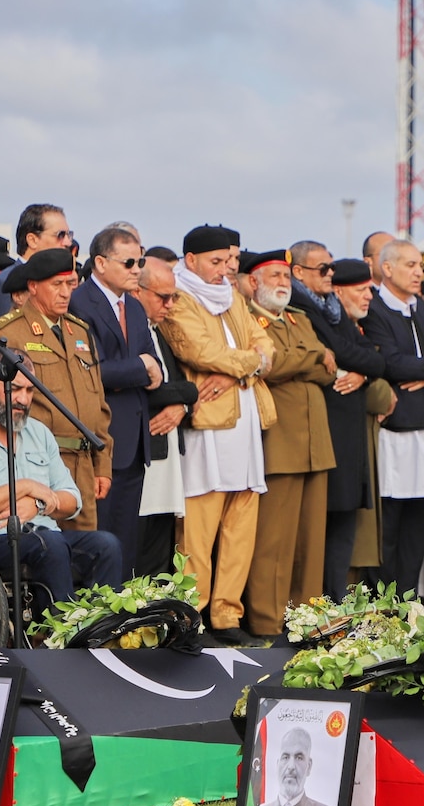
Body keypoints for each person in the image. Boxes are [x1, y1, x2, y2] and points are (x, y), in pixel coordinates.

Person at [0, 348, 124, 610]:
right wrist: (25, 487)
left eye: (30, 390)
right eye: (14, 389)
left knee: (107, 546)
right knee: (50, 546)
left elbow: (73, 499)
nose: (23, 399)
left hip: (44, 534)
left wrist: (38, 504)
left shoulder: (39, 433)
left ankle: (99, 629)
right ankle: (59, 633)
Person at [161, 225, 275, 647]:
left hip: (245, 424)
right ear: (190, 260)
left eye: (229, 261)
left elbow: (268, 348)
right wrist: (249, 365)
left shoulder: (234, 297)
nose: (225, 269)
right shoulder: (179, 298)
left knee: (241, 524)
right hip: (207, 426)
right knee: (198, 529)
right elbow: (200, 352)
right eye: (216, 261)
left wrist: (238, 371)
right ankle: (191, 616)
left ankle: (227, 615)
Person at [0, 248, 115, 533]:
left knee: (87, 551)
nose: (65, 292)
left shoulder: (80, 332)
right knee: (42, 547)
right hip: (35, 463)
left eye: (70, 283)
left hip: (83, 465)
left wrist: (102, 464)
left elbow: (98, 404)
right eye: (56, 284)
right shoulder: (7, 333)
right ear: (33, 286)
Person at [287, 252, 391, 599]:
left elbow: (375, 359)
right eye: (323, 269)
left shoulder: (331, 309)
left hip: (347, 431)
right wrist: (363, 365)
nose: (329, 274)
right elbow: (338, 351)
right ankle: (317, 598)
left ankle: (335, 596)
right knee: (322, 520)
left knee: (345, 517)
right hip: (327, 427)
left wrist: (363, 373)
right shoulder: (305, 307)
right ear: (299, 272)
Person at [245, 249, 336, 637]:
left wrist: (304, 360)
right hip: (280, 444)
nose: (283, 283)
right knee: (274, 540)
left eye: (286, 276)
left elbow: (328, 373)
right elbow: (273, 366)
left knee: (310, 542)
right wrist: (314, 354)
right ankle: (266, 619)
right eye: (275, 276)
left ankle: (305, 620)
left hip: (316, 444)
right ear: (254, 282)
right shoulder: (251, 320)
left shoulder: (300, 318)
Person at [361, 239, 424, 596]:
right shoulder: (375, 308)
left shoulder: (420, 308)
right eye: (410, 265)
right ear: (387, 268)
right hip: (396, 426)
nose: (418, 273)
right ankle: (383, 600)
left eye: (420, 266)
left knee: (421, 514)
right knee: (392, 513)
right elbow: (390, 363)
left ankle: (408, 598)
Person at [68, 227, 160, 580]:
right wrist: (140, 367)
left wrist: (144, 367)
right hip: (100, 438)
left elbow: (153, 363)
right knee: (101, 539)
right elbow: (94, 371)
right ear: (101, 262)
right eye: (129, 263)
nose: (137, 270)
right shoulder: (80, 302)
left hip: (134, 439)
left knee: (127, 540)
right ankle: (97, 609)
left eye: (140, 262)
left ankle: (124, 606)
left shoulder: (133, 306)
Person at [131, 250, 197, 577]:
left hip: (168, 453)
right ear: (137, 291)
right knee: (139, 549)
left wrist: (182, 404)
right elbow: (147, 387)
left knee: (162, 545)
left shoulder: (159, 330)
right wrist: (185, 394)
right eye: (163, 297)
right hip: (142, 451)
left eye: (174, 297)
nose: (169, 305)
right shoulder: (130, 329)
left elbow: (181, 383)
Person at [0, 204, 73, 320]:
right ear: (32, 240)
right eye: (60, 235)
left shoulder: (64, 279)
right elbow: (7, 329)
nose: (68, 242)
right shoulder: (4, 282)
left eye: (69, 235)